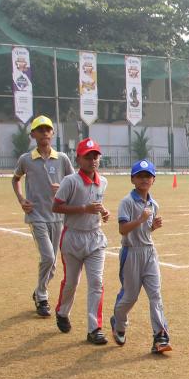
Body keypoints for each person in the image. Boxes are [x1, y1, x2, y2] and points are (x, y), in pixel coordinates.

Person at [11, 115, 74, 317]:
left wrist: (62, 188)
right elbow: (15, 179)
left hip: (58, 217)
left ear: (53, 133)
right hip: (36, 215)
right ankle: (42, 296)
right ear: (33, 134)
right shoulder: (26, 159)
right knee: (48, 257)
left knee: (52, 263)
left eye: (48, 129)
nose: (45, 133)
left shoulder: (62, 158)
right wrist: (21, 199)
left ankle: (39, 290)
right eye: (40, 130)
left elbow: (74, 182)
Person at [51, 137, 109, 344]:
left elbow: (97, 203)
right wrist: (84, 209)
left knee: (97, 282)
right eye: (88, 157)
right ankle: (62, 311)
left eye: (95, 156)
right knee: (71, 282)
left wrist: (103, 212)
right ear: (78, 159)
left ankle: (95, 329)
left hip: (95, 238)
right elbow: (56, 207)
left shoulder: (103, 182)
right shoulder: (70, 182)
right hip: (73, 237)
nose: (92, 160)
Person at [110, 160, 171, 354]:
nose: (144, 179)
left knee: (155, 295)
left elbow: (146, 230)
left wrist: (152, 226)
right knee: (130, 297)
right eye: (140, 176)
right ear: (132, 179)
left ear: (153, 180)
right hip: (131, 252)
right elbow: (122, 230)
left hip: (149, 252)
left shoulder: (154, 204)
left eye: (148, 176)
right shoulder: (127, 202)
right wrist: (140, 219)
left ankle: (160, 336)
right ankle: (118, 322)